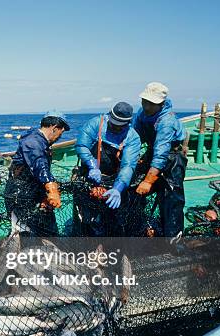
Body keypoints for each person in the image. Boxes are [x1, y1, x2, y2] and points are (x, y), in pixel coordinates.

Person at [74, 102, 142, 236]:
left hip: (114, 178)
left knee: (114, 217)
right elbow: (82, 145)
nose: (115, 128)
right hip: (90, 173)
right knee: (88, 215)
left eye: (119, 126)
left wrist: (118, 188)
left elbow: (128, 166)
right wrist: (92, 166)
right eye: (113, 124)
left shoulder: (133, 138)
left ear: (128, 123)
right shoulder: (96, 123)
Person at [131, 82, 187, 237]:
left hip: (172, 156)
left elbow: (161, 154)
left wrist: (148, 181)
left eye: (151, 104)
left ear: (161, 104)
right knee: (132, 188)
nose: (147, 107)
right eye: (145, 102)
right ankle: (141, 227)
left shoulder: (166, 121)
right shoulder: (142, 113)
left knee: (171, 199)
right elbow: (135, 137)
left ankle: (173, 239)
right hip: (152, 151)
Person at [4, 111, 70, 236]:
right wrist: (51, 188)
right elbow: (40, 165)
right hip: (19, 196)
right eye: (60, 134)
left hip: (35, 193)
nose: (59, 138)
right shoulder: (33, 141)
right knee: (24, 235)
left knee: (48, 233)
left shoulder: (42, 141)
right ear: (54, 128)